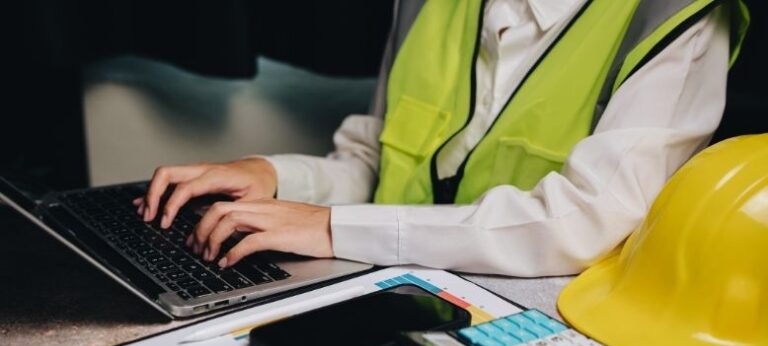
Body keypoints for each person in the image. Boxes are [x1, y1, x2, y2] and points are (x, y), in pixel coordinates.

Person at [134, 0, 747, 277]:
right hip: (393, 284)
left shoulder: (679, 15)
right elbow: (382, 159)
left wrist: (330, 227)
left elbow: (582, 224)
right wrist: (275, 177)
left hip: (542, 333)